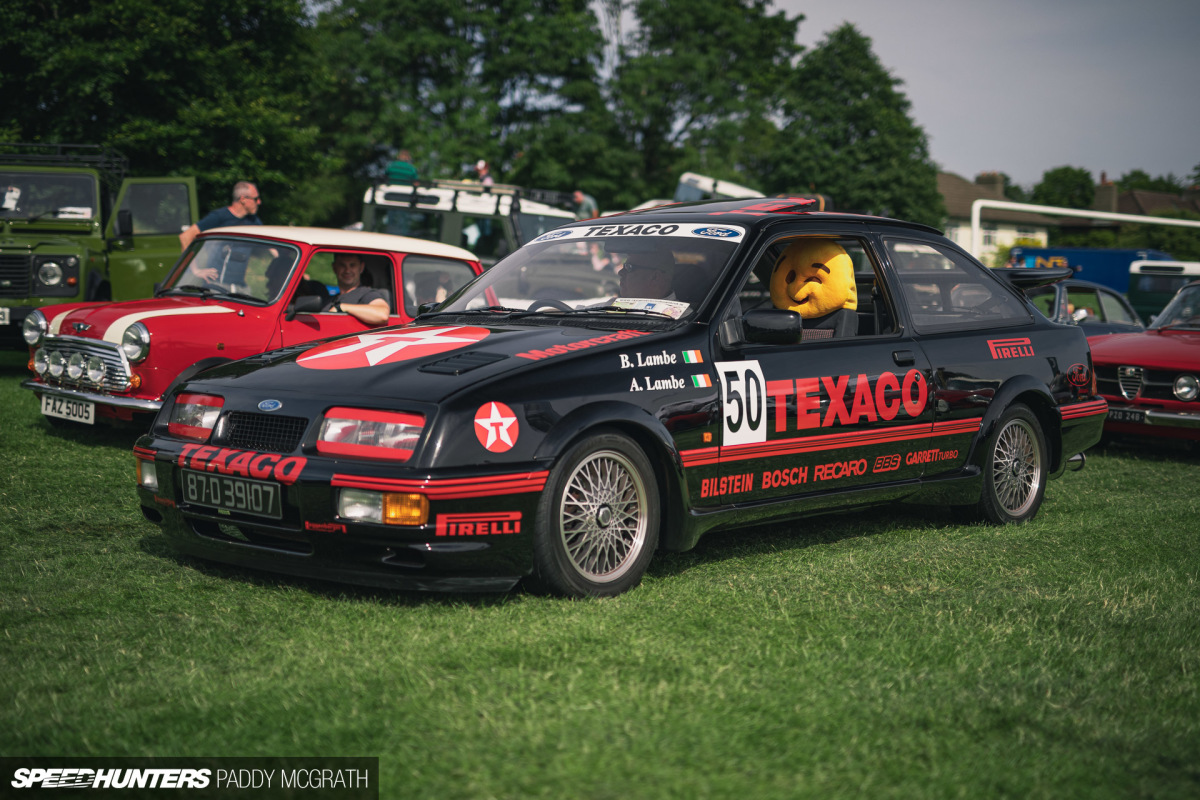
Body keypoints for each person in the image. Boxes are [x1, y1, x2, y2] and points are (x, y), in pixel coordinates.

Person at [179, 181, 262, 250]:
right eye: (255, 199)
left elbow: (271, 249)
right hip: (218, 269)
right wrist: (194, 269)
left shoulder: (253, 220)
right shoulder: (219, 216)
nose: (259, 202)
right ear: (243, 199)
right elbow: (185, 237)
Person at [323, 252, 391, 326]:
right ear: (334, 268)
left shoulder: (367, 294)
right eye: (342, 265)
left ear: (361, 267)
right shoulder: (329, 300)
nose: (347, 270)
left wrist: (341, 307)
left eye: (352, 265)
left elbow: (382, 314)